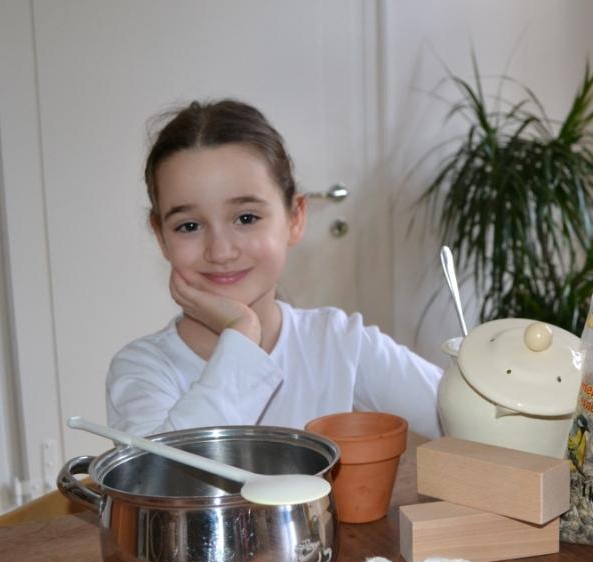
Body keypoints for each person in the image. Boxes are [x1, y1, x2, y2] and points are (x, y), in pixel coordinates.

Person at [106, 99, 443, 437]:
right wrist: (242, 335)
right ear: (160, 236)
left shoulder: (338, 342)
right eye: (189, 226)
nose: (221, 251)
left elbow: (458, 418)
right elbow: (167, 469)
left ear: (295, 218)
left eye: (246, 218)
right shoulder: (142, 370)